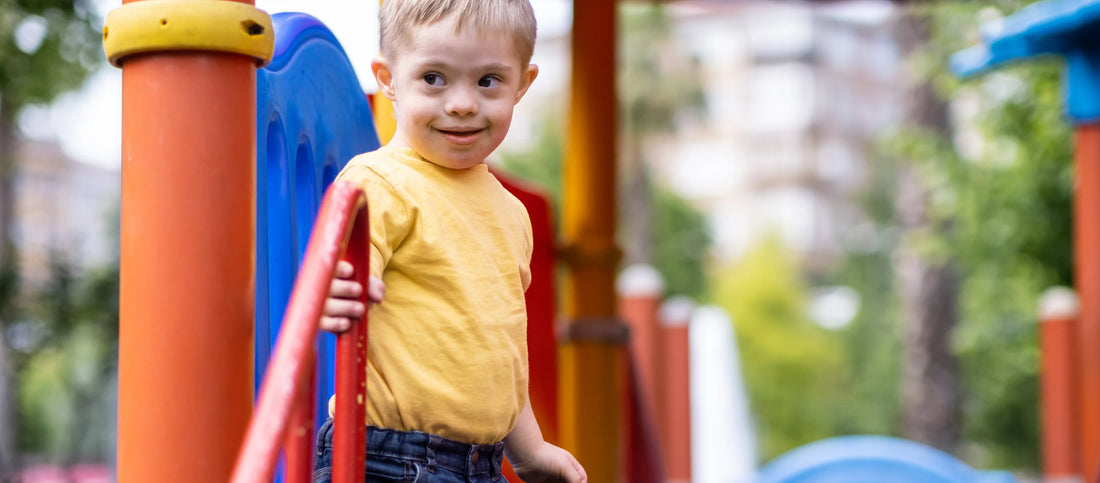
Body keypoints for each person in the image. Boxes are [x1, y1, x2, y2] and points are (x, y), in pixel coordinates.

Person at [312, 0, 586, 482]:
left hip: (482, 463)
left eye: (488, 81)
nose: (462, 103)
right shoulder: (379, 182)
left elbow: (498, 352)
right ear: (389, 78)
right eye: (434, 78)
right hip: (386, 460)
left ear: (522, 84)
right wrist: (328, 291)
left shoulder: (511, 213)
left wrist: (530, 451)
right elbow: (336, 273)